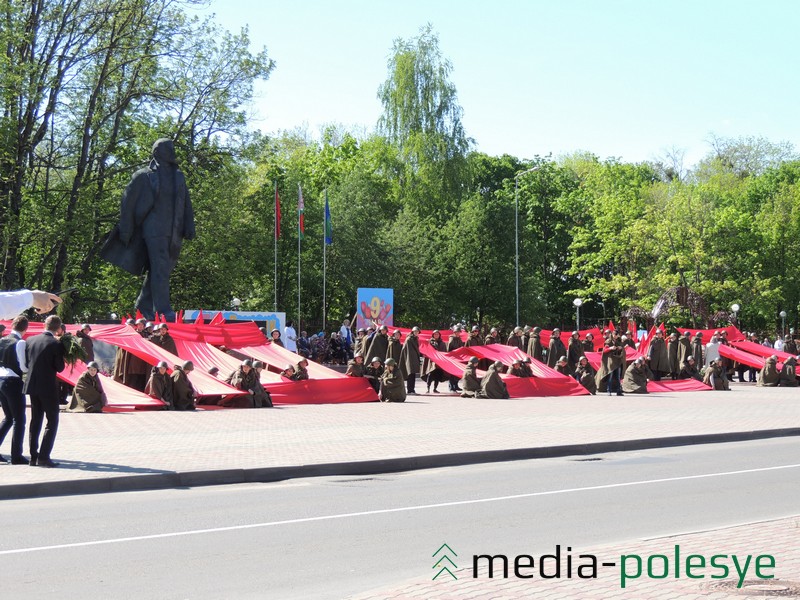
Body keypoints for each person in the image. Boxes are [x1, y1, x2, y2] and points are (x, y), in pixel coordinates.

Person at [100, 138, 195, 320]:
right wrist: (125, 229)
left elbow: (186, 202)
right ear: (157, 152)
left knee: (162, 269)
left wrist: (189, 224)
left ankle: (143, 307)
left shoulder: (178, 176)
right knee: (160, 267)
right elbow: (127, 203)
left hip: (174, 229)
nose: (172, 151)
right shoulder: (143, 175)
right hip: (152, 228)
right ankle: (163, 311)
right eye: (168, 148)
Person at [23, 315, 66, 467]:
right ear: (58, 328)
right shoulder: (56, 343)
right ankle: (44, 457)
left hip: (33, 385)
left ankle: (33, 457)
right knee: (52, 420)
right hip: (48, 386)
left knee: (36, 420)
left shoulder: (30, 340)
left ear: (44, 325)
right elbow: (59, 367)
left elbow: (28, 362)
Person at [0, 316, 30, 464]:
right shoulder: (20, 343)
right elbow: (23, 367)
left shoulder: (2, 340)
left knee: (8, 418)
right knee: (19, 419)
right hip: (13, 381)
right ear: (25, 328)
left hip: (1, 380)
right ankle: (16, 455)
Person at [399, 326, 421, 395]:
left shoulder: (415, 339)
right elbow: (407, 351)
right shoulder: (409, 339)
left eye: (417, 332)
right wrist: (410, 360)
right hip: (410, 359)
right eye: (415, 332)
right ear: (412, 332)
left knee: (413, 375)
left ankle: (412, 389)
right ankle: (410, 390)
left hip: (413, 359)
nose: (416, 333)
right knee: (410, 375)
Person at [447, 326, 464, 391]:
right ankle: (451, 387)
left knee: (457, 373)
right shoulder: (452, 338)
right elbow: (449, 348)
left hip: (458, 358)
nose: (458, 333)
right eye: (457, 332)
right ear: (454, 332)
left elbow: (461, 347)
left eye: (459, 332)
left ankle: (456, 385)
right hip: (453, 358)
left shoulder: (459, 339)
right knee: (452, 373)